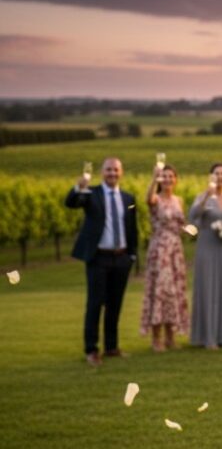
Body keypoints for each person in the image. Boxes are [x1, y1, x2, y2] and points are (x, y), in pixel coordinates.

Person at [65, 157, 138, 366]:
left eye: (116, 170)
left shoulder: (128, 198)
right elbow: (71, 203)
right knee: (95, 304)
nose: (112, 173)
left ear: (121, 172)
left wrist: (131, 255)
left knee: (115, 304)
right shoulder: (91, 194)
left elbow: (132, 228)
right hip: (99, 258)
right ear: (102, 172)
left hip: (121, 258)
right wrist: (78, 188)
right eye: (108, 170)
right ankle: (91, 349)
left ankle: (112, 347)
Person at [189, 163, 222, 349]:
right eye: (216, 174)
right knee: (208, 288)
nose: (220, 177)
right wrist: (206, 195)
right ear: (211, 176)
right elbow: (193, 215)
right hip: (207, 248)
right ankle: (207, 337)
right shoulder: (203, 197)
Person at [140, 163, 189, 351]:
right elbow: (147, 199)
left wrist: (190, 230)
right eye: (165, 177)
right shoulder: (156, 199)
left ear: (176, 180)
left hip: (175, 249)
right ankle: (156, 339)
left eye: (171, 176)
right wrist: (154, 178)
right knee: (160, 291)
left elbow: (181, 225)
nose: (168, 180)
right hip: (160, 250)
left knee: (173, 292)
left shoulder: (179, 200)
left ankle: (171, 337)